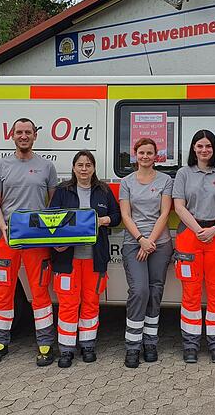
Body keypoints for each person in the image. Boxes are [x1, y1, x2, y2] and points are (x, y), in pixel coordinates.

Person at [0, 118, 58, 366]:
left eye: (28, 132)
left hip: (37, 238)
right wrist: (3, 227)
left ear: (35, 136)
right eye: (19, 132)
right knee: (3, 291)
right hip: (7, 236)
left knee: (40, 291)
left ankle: (46, 343)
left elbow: (53, 204)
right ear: (12, 136)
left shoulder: (47, 166)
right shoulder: (1, 166)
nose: (23, 136)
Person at [49, 150, 121, 368]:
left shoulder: (103, 190)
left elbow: (117, 217)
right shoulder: (63, 190)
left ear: (93, 168)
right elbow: (51, 219)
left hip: (94, 258)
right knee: (68, 304)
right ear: (73, 168)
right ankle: (66, 349)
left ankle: (88, 345)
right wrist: (57, 243)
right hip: (67, 259)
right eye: (80, 165)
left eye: (88, 165)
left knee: (90, 302)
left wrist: (104, 220)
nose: (83, 169)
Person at [172, 130, 215, 364]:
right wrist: (199, 229)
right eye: (199, 146)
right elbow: (179, 206)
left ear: (214, 148)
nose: (203, 150)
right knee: (190, 294)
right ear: (193, 149)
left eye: (208, 146)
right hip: (190, 236)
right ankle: (190, 345)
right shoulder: (183, 174)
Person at [119, 138, 174, 368]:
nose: (145, 156)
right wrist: (141, 240)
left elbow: (164, 214)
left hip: (160, 244)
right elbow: (126, 215)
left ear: (156, 156)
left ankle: (150, 342)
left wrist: (151, 241)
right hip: (134, 243)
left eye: (150, 153)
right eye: (141, 152)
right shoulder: (126, 182)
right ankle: (132, 345)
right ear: (135, 155)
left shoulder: (165, 180)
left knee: (154, 292)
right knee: (139, 290)